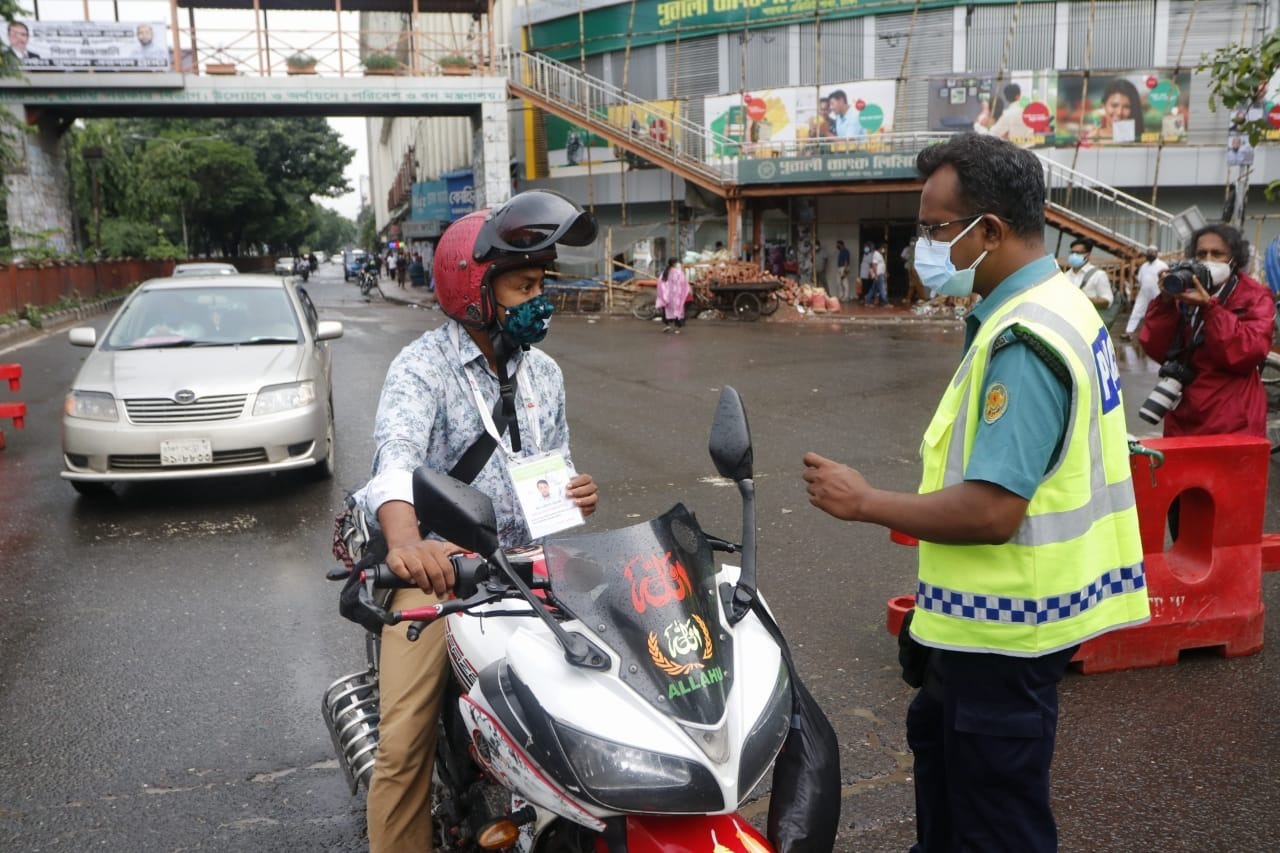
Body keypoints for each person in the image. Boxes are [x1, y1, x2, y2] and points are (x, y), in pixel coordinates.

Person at [802, 133, 1148, 853]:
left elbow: (993, 510)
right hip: (1005, 629)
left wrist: (864, 500)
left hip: (1002, 643)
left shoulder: (1025, 339)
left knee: (994, 831)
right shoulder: (1063, 303)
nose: (922, 247)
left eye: (933, 229)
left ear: (987, 230)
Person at [354, 189, 600, 853]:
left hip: (528, 568)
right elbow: (395, 463)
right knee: (403, 741)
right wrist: (406, 543)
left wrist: (577, 490)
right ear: (474, 290)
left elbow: (554, 460)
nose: (539, 299)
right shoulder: (422, 367)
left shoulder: (543, 373)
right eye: (523, 286)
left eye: (541, 283)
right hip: (442, 574)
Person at [1138, 223, 1275, 441]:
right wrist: (1165, 303)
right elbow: (1157, 348)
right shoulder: (1185, 290)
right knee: (1180, 474)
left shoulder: (1254, 295)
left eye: (1217, 254)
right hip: (1184, 409)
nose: (1208, 259)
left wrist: (1209, 307)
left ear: (1234, 259)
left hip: (1232, 415)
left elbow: (1247, 353)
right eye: (1201, 254)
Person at [1120, 245, 1167, 341]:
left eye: (1152, 252)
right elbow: (1140, 280)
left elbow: (1165, 280)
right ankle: (1128, 332)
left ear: (1156, 254)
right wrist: (1133, 277)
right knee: (1136, 312)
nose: (1150, 254)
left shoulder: (1162, 265)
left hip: (1157, 293)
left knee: (1157, 314)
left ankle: (1157, 335)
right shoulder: (1144, 266)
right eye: (1149, 252)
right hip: (1144, 293)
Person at [1063, 238, 1115, 322]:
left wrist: (1085, 300)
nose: (1074, 255)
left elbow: (1107, 300)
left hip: (1088, 322)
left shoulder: (1098, 275)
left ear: (1088, 255)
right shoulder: (1065, 276)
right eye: (1072, 252)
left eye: (1078, 253)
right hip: (1067, 321)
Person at [655, 256, 690, 334]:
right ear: (675, 263)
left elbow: (661, 283)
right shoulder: (678, 272)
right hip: (676, 295)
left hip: (667, 296)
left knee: (667, 310)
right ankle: (677, 328)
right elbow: (683, 283)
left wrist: (663, 294)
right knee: (678, 310)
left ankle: (668, 325)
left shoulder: (665, 272)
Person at [864, 242, 888, 307]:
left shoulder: (880, 254)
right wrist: (876, 275)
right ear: (881, 247)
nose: (885, 249)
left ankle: (867, 302)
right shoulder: (876, 254)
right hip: (879, 274)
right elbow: (874, 265)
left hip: (880, 274)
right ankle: (886, 303)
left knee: (873, 289)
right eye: (884, 248)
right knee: (882, 289)